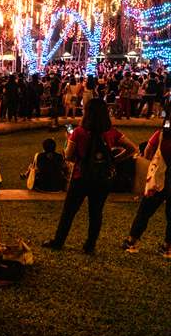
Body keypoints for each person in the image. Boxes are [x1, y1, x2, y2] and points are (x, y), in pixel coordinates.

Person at [43, 98, 137, 254]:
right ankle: (90, 245)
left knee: (69, 212)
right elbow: (133, 149)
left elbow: (68, 156)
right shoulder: (112, 132)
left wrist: (73, 148)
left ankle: (58, 241)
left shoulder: (79, 132)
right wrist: (113, 160)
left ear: (87, 113)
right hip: (102, 179)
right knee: (96, 213)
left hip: (81, 177)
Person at [122, 121, 171, 257]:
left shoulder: (161, 135)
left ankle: (132, 241)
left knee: (145, 211)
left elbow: (148, 152)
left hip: (159, 180)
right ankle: (168, 247)